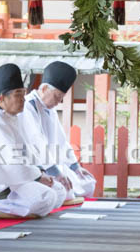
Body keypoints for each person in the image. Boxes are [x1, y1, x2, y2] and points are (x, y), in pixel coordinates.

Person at [0, 63, 66, 217]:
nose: (23, 99)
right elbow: (11, 162)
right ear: (2, 98)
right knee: (47, 197)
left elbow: (27, 151)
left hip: (14, 178)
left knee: (59, 191)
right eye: (18, 95)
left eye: (23, 94)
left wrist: (41, 172)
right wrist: (37, 177)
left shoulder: (9, 117)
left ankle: (15, 205)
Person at [19, 61, 96, 198]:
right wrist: (55, 172)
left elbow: (61, 141)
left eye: (61, 98)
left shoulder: (49, 108)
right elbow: (37, 142)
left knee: (87, 183)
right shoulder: (28, 106)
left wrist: (75, 168)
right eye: (57, 97)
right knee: (64, 192)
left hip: (54, 165)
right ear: (44, 89)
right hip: (39, 169)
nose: (58, 102)